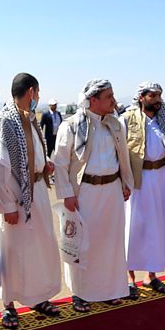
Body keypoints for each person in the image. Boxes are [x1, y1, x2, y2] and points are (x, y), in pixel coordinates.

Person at [0, 73, 63, 329]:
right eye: (38, 93)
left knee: (39, 248)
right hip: (17, 200)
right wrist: (8, 205)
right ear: (31, 92)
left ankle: (37, 297)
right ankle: (8, 305)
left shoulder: (28, 119)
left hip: (37, 192)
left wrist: (44, 165)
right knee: (12, 251)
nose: (38, 98)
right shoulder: (5, 123)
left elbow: (31, 154)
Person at [52, 79, 133, 312]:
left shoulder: (116, 125)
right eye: (109, 96)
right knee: (83, 244)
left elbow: (123, 158)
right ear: (93, 100)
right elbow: (60, 164)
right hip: (84, 193)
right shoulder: (71, 126)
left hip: (112, 192)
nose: (113, 100)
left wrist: (125, 184)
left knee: (110, 242)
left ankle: (108, 290)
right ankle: (80, 293)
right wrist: (67, 194)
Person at [122, 82, 165, 298]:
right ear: (141, 97)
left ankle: (151, 275)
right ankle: (130, 279)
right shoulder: (127, 120)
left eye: (159, 95)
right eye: (153, 95)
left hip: (162, 179)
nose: (157, 99)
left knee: (157, 227)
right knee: (134, 228)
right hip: (138, 181)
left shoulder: (162, 121)